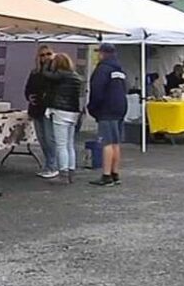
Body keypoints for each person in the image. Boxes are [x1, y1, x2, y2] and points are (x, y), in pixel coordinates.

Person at [87, 43, 128, 186]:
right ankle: (115, 173)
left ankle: (106, 175)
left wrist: (92, 108)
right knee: (116, 143)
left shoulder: (102, 69)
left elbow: (96, 91)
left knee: (107, 143)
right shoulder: (120, 70)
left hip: (107, 110)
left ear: (102, 54)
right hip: (120, 109)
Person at [44, 54, 83, 183]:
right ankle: (71, 171)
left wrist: (46, 64)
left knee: (61, 145)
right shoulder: (76, 77)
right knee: (70, 144)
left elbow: (46, 75)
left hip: (60, 111)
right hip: (73, 112)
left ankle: (63, 174)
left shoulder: (59, 75)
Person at [24, 45, 57, 179]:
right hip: (36, 108)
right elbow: (28, 88)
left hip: (49, 109)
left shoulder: (56, 71)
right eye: (42, 55)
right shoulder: (35, 72)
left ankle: (53, 165)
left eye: (48, 54)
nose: (45, 57)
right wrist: (29, 97)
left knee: (50, 139)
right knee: (42, 139)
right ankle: (48, 164)